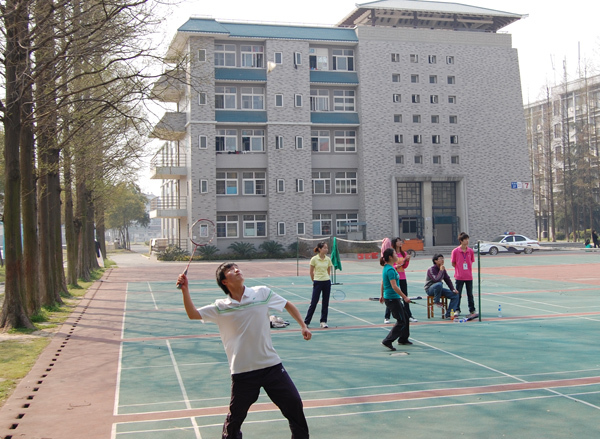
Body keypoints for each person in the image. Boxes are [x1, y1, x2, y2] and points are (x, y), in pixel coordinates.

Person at [177, 263, 311, 439]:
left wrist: (303, 325)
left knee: (294, 405)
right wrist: (185, 290)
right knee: (235, 420)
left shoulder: (261, 293)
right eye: (230, 270)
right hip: (243, 372)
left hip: (271, 366)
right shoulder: (221, 307)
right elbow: (193, 314)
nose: (236, 270)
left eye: (236, 267)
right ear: (224, 282)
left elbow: (287, 305)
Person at [380, 248, 412, 350]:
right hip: (392, 299)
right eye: (394, 254)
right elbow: (394, 286)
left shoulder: (389, 268)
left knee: (405, 317)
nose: (396, 255)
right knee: (401, 321)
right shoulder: (390, 270)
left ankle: (403, 339)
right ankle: (387, 340)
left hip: (392, 298)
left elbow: (382, 282)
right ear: (390, 257)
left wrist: (381, 295)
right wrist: (405, 297)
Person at [304, 242, 333, 328]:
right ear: (319, 249)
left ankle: (323, 321)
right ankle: (306, 322)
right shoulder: (314, 259)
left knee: (325, 303)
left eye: (327, 248)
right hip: (317, 282)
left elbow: (328, 271)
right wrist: (314, 281)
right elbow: (311, 272)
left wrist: (326, 278)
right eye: (324, 248)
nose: (326, 249)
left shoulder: (328, 259)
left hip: (326, 282)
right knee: (313, 303)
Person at [424, 254, 460, 319]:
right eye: (440, 259)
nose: (442, 260)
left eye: (443, 258)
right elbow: (436, 279)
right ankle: (436, 301)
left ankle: (449, 314)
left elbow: (447, 279)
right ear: (435, 261)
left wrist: (453, 289)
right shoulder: (431, 269)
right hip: (430, 289)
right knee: (439, 284)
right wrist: (441, 271)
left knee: (455, 295)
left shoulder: (443, 269)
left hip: (439, 289)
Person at [451, 232, 476, 318]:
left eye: (467, 239)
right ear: (461, 241)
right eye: (465, 239)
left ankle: (472, 309)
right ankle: (457, 309)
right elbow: (453, 263)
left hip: (469, 276)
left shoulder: (470, 251)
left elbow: (471, 261)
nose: (467, 241)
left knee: (470, 294)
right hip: (459, 276)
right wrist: (459, 269)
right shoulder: (455, 251)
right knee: (458, 294)